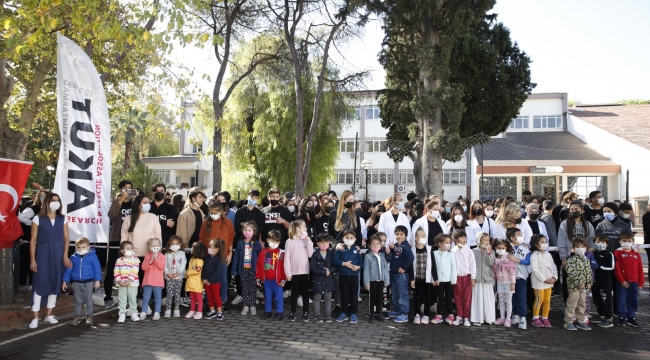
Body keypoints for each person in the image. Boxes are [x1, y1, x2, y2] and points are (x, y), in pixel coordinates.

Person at [28, 193, 72, 329]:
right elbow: (33, 240)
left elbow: (66, 239)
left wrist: (65, 256)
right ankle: (35, 317)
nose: (55, 203)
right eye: (53, 200)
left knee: (55, 283)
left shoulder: (62, 219)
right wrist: (32, 260)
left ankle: (49, 315)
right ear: (47, 202)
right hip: (43, 254)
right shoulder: (38, 218)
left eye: (58, 201)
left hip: (58, 254)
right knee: (40, 283)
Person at [104, 180, 134, 307]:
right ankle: (108, 297)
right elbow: (111, 214)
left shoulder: (134, 203)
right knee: (111, 269)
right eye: (125, 188)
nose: (128, 190)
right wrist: (121, 199)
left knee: (131, 268)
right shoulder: (116, 202)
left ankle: (131, 297)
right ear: (121, 189)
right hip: (116, 239)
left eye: (130, 188)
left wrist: (136, 198)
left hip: (131, 240)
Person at [199, 201, 235, 304]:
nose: (213, 215)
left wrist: (230, 253)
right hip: (209, 256)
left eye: (215, 213)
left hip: (223, 256)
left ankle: (223, 300)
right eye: (211, 212)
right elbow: (201, 237)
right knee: (209, 278)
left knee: (223, 278)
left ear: (221, 212)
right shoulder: (206, 222)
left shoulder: (228, 222)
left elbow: (231, 239)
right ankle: (209, 301)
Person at [62, 237, 101, 326]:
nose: (81, 249)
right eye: (79, 247)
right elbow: (69, 270)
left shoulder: (93, 256)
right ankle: (77, 316)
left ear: (88, 247)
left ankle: (89, 316)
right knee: (77, 300)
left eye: (83, 247)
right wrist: (65, 281)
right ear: (76, 247)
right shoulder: (73, 257)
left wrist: (97, 280)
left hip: (89, 282)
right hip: (76, 282)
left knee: (88, 300)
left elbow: (97, 269)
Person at [232, 221, 263, 316]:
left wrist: (260, 272)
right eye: (245, 230)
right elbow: (236, 257)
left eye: (249, 230)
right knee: (244, 288)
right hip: (243, 269)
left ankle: (252, 305)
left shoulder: (257, 244)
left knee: (253, 288)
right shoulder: (240, 243)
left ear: (254, 231)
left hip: (253, 270)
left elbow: (260, 259)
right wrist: (234, 270)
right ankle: (245, 305)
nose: (247, 232)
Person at [332, 230, 363, 324]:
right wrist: (343, 263)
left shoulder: (357, 249)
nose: (349, 239)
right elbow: (335, 260)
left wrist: (358, 267)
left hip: (354, 276)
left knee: (354, 295)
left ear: (355, 239)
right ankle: (344, 312)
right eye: (347, 238)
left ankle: (353, 313)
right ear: (343, 239)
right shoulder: (340, 249)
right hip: (343, 276)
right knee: (344, 295)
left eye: (351, 238)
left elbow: (361, 262)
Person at [613, 232, 644, 327]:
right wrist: (621, 280)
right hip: (622, 282)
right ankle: (621, 316)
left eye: (629, 241)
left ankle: (631, 317)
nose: (627, 243)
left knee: (632, 300)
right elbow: (616, 268)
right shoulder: (617, 253)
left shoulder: (636, 254)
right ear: (620, 242)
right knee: (621, 300)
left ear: (633, 242)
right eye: (624, 241)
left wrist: (641, 282)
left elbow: (640, 269)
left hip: (634, 282)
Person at [284, 220, 313, 322]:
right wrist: (288, 273)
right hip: (294, 271)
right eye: (304, 226)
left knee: (305, 291)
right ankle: (293, 311)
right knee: (294, 292)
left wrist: (309, 241)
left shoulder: (306, 241)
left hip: (304, 271)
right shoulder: (289, 241)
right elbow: (286, 258)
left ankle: (306, 312)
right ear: (297, 229)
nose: (306, 228)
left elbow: (310, 254)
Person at [563, 237, 593, 331]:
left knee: (582, 304)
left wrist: (589, 283)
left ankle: (581, 321)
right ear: (573, 248)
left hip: (584, 287)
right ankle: (568, 321)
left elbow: (589, 272)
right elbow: (571, 272)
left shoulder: (586, 259)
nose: (581, 248)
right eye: (578, 247)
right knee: (572, 304)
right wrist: (579, 283)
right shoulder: (571, 259)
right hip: (574, 287)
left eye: (583, 246)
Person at [256, 230, 286, 321]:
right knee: (267, 296)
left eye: (276, 241)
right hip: (266, 280)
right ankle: (267, 311)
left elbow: (283, 267)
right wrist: (258, 278)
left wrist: (283, 279)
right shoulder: (263, 252)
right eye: (272, 240)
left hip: (277, 280)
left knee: (278, 297)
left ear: (279, 242)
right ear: (267, 240)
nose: (274, 243)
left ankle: (279, 313)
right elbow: (258, 264)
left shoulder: (281, 253)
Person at [387, 225, 414, 324]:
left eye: (402, 234)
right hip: (393, 273)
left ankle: (404, 313)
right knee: (395, 293)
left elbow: (410, 258)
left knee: (402, 294)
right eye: (397, 234)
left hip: (401, 275)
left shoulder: (405, 246)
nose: (399, 236)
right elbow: (394, 256)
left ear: (406, 236)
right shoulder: (396, 245)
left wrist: (403, 267)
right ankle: (397, 310)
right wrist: (391, 250)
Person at [529, 234, 557, 328]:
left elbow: (553, 266)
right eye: (542, 242)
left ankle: (545, 317)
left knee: (547, 300)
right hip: (539, 283)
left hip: (549, 283)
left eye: (546, 242)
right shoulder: (534, 255)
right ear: (536, 244)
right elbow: (535, 269)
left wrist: (554, 277)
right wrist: (544, 279)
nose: (545, 244)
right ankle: (535, 317)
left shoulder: (548, 254)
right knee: (539, 299)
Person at [506, 227, 531, 330]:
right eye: (518, 234)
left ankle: (523, 317)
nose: (521, 236)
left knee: (521, 296)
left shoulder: (525, 248)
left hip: (521, 276)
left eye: (521, 234)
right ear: (512, 238)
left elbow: (528, 261)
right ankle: (515, 314)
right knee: (512, 297)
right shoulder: (507, 247)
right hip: (509, 277)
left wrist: (517, 260)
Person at [450, 229, 476, 326]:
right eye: (461, 237)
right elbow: (451, 266)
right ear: (456, 240)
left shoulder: (469, 251)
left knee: (467, 298)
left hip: (467, 277)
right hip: (456, 278)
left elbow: (472, 265)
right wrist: (452, 278)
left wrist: (473, 277)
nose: (464, 239)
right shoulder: (452, 251)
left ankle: (466, 317)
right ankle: (459, 316)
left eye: (465, 237)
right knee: (457, 298)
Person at [310, 233, 337, 323]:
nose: (324, 244)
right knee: (317, 297)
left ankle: (328, 315)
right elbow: (313, 267)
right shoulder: (315, 254)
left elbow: (335, 265)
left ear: (329, 243)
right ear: (317, 243)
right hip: (318, 280)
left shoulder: (331, 253)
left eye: (326, 242)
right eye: (321, 242)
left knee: (328, 298)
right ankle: (317, 315)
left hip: (329, 280)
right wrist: (323, 271)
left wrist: (330, 270)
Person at [470, 232, 495, 326]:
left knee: (488, 298)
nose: (487, 242)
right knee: (477, 298)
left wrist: (488, 252)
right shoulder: (473, 251)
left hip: (487, 278)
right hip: (477, 279)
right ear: (479, 240)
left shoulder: (492, 252)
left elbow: (491, 262)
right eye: (485, 240)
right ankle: (477, 318)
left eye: (489, 240)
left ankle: (488, 318)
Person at [364, 235, 390, 324]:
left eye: (378, 244)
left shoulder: (382, 256)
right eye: (373, 244)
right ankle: (371, 313)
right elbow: (366, 270)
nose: (375, 246)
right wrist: (366, 283)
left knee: (380, 297)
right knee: (372, 298)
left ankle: (378, 313)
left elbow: (386, 268)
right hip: (372, 280)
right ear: (370, 246)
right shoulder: (368, 257)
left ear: (380, 245)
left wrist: (386, 280)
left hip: (381, 280)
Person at [431, 234, 456, 325]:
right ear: (440, 244)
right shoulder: (434, 253)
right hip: (439, 281)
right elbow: (432, 267)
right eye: (446, 243)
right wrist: (433, 279)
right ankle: (439, 315)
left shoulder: (450, 254)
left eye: (449, 243)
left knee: (449, 298)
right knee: (440, 298)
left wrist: (453, 280)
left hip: (449, 280)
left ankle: (450, 315)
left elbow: (454, 267)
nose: (448, 244)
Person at [411, 228, 433, 325]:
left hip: (426, 278)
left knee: (427, 296)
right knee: (416, 296)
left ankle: (426, 315)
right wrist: (412, 279)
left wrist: (434, 278)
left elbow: (433, 265)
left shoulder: (429, 249)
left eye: (425, 235)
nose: (424, 237)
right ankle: (416, 314)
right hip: (416, 278)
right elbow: (410, 266)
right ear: (416, 238)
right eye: (421, 235)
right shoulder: (412, 250)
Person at [114, 241, 141, 323]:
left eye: (131, 248)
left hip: (133, 283)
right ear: (122, 251)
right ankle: (122, 313)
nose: (130, 250)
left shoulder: (136, 259)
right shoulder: (118, 260)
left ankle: (133, 313)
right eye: (128, 248)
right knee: (122, 299)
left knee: (132, 298)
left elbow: (135, 270)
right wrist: (119, 281)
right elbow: (116, 271)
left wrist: (129, 281)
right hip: (121, 284)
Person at [139, 238, 165, 321]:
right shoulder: (147, 256)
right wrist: (150, 261)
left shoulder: (162, 256)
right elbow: (143, 267)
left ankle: (157, 312)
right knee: (146, 297)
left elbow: (161, 267)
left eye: (157, 246)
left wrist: (156, 259)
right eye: (153, 246)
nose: (155, 247)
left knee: (158, 298)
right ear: (149, 247)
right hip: (148, 281)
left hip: (158, 282)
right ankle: (143, 311)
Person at [492, 239, 517, 327]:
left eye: (503, 248)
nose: (501, 249)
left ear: (506, 248)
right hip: (500, 282)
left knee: (508, 301)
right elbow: (494, 271)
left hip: (508, 282)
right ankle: (502, 317)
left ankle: (508, 319)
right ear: (495, 248)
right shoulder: (495, 258)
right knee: (501, 301)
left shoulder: (508, 258)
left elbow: (512, 271)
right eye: (499, 248)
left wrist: (513, 283)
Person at [592, 234, 615, 328]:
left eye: (602, 242)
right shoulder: (594, 254)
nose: (600, 244)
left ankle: (608, 318)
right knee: (597, 298)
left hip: (605, 281)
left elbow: (612, 267)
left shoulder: (609, 254)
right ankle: (601, 315)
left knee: (606, 299)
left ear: (607, 244)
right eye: (598, 242)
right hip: (595, 281)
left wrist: (600, 268)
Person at [149, 182, 178, 247]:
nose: (159, 193)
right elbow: (146, 222)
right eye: (157, 191)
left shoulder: (170, 207)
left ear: (165, 193)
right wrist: (164, 222)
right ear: (153, 193)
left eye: (162, 191)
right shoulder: (148, 207)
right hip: (150, 240)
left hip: (166, 241)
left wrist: (154, 222)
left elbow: (171, 224)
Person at [164, 235, 186, 318]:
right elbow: (164, 265)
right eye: (172, 244)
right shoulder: (167, 254)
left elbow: (183, 264)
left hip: (178, 277)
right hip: (169, 277)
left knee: (177, 293)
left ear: (180, 245)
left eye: (176, 244)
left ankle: (177, 309)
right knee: (169, 293)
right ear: (169, 245)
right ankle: (168, 309)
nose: (174, 245)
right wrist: (167, 273)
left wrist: (178, 273)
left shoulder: (182, 254)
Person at [203, 239, 225, 320]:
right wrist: (204, 278)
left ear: (217, 249)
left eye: (211, 247)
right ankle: (212, 310)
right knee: (209, 296)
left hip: (215, 282)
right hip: (207, 282)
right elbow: (204, 269)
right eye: (209, 247)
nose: (209, 248)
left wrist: (210, 280)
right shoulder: (207, 258)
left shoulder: (219, 259)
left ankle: (219, 311)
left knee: (216, 296)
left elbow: (218, 271)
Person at [185, 242, 206, 320]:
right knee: (192, 298)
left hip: (197, 282)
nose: (191, 249)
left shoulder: (200, 261)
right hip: (190, 281)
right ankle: (192, 310)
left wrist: (188, 273)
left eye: (193, 247)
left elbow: (197, 271)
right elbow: (189, 268)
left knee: (199, 298)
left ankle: (199, 311)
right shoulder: (192, 259)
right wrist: (186, 274)